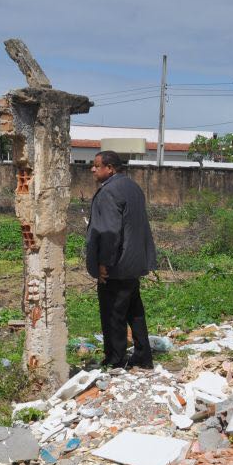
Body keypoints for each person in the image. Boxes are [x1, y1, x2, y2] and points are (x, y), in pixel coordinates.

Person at [85, 151, 158, 369]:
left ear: (110, 168)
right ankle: (143, 356)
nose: (92, 169)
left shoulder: (109, 192)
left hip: (117, 264)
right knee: (134, 311)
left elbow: (109, 232)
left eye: (97, 166)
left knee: (113, 313)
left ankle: (115, 359)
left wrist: (103, 263)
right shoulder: (133, 187)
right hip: (134, 261)